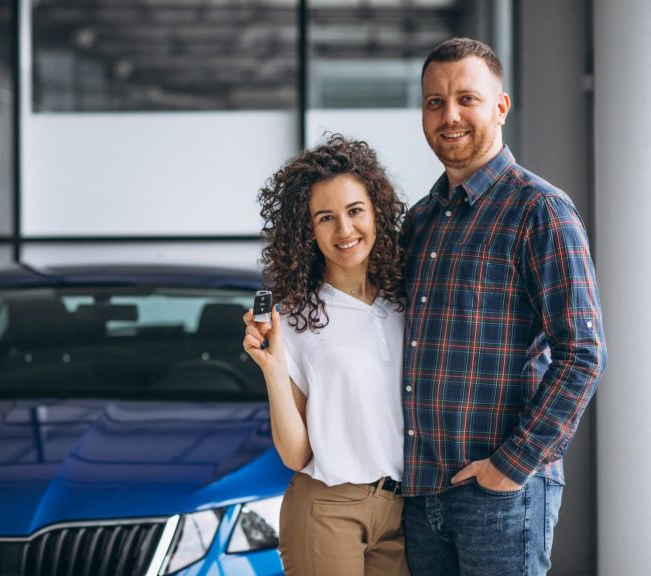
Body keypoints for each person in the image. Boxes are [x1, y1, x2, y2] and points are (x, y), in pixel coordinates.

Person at [400, 37, 607, 575]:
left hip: (500, 497)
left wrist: (508, 469)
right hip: (422, 494)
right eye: (434, 102)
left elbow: (582, 354)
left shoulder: (540, 210)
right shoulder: (420, 221)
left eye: (466, 98)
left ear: (500, 106)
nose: (449, 115)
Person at [243, 134, 410, 576]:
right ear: (307, 230)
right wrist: (274, 369)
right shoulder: (294, 318)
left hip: (404, 510)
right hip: (326, 507)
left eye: (355, 211)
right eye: (325, 218)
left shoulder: (408, 303)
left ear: (376, 211)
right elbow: (296, 455)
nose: (345, 230)